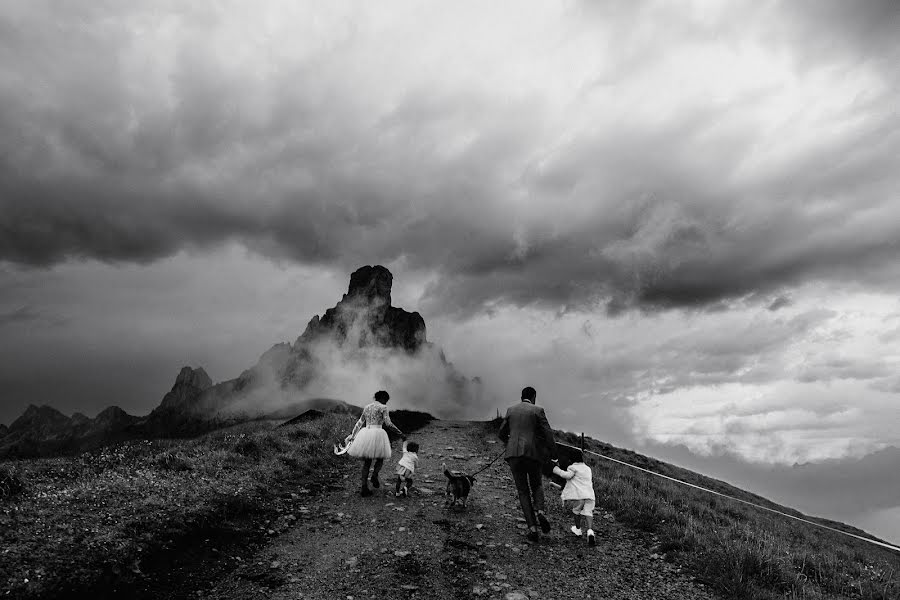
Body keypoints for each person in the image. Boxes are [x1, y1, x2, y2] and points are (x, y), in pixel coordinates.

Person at [498, 386, 558, 542]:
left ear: (521, 397)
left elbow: (501, 433)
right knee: (537, 485)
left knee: (522, 491)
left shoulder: (511, 410)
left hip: (513, 455)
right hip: (533, 454)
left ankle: (532, 529)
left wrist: (509, 443)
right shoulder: (538, 410)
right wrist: (554, 455)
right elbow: (548, 434)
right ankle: (540, 511)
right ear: (534, 397)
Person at [346, 390, 405, 497]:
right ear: (383, 398)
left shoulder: (367, 407)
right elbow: (388, 424)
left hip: (366, 434)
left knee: (367, 463)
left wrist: (353, 435)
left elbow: (360, 422)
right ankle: (375, 475)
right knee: (380, 458)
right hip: (378, 433)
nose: (386, 402)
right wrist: (400, 434)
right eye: (386, 400)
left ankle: (364, 487)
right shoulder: (383, 408)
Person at [552, 449, 596, 546]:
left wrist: (557, 470)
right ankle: (590, 531)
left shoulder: (573, 467)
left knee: (576, 511)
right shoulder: (588, 468)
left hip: (580, 495)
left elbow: (567, 476)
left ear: (571, 459)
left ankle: (578, 529)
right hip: (590, 495)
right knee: (589, 512)